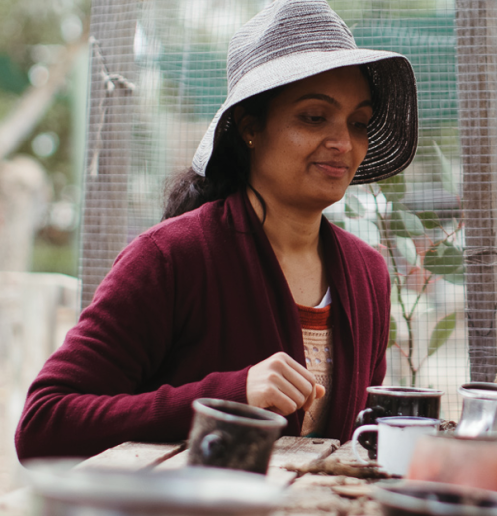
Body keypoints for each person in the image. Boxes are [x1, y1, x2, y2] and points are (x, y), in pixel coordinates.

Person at [15, 0, 418, 460]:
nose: (343, 143)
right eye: (313, 117)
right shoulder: (170, 258)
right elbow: (44, 423)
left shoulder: (369, 273)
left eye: (359, 123)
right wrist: (229, 394)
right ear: (249, 128)